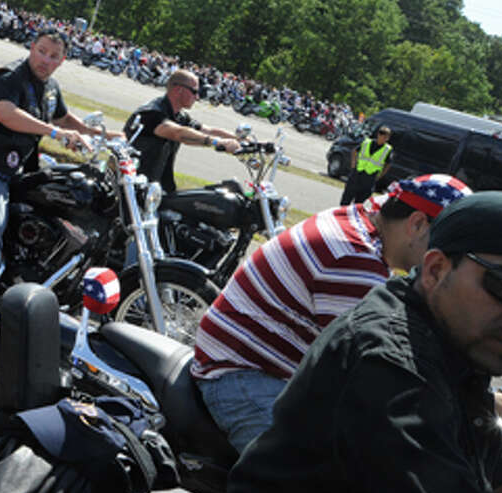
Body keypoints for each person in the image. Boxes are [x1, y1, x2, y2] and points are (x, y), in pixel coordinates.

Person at [226, 190, 502, 493]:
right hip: (240, 374)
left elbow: (490, 461)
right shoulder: (392, 365)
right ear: (436, 270)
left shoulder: (460, 336)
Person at [192, 174, 471, 453]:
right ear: (417, 223)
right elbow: (373, 365)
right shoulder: (355, 257)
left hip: (258, 362)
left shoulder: (356, 220)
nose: (447, 261)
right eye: (448, 247)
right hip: (243, 377)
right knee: (307, 484)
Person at [0, 28, 123, 336]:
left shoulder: (49, 86)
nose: (46, 60)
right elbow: (7, 114)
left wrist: (104, 136)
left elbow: (62, 117)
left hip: (16, 168)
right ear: (32, 48)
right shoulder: (9, 78)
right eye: (42, 51)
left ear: (62, 61)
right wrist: (56, 135)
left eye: (53, 56)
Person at [123, 69, 240, 194]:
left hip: (159, 188)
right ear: (179, 89)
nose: (197, 97)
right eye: (194, 91)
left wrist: (243, 140)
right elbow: (177, 133)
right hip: (134, 188)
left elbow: (208, 130)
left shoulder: (179, 116)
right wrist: (216, 142)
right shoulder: (151, 113)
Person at [340, 124, 392, 206]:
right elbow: (354, 151)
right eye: (383, 136)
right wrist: (353, 165)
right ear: (378, 135)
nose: (384, 139)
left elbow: (388, 164)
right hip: (357, 172)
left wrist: (380, 176)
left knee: (359, 202)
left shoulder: (387, 149)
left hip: (370, 176)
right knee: (347, 197)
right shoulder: (367, 142)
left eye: (386, 137)